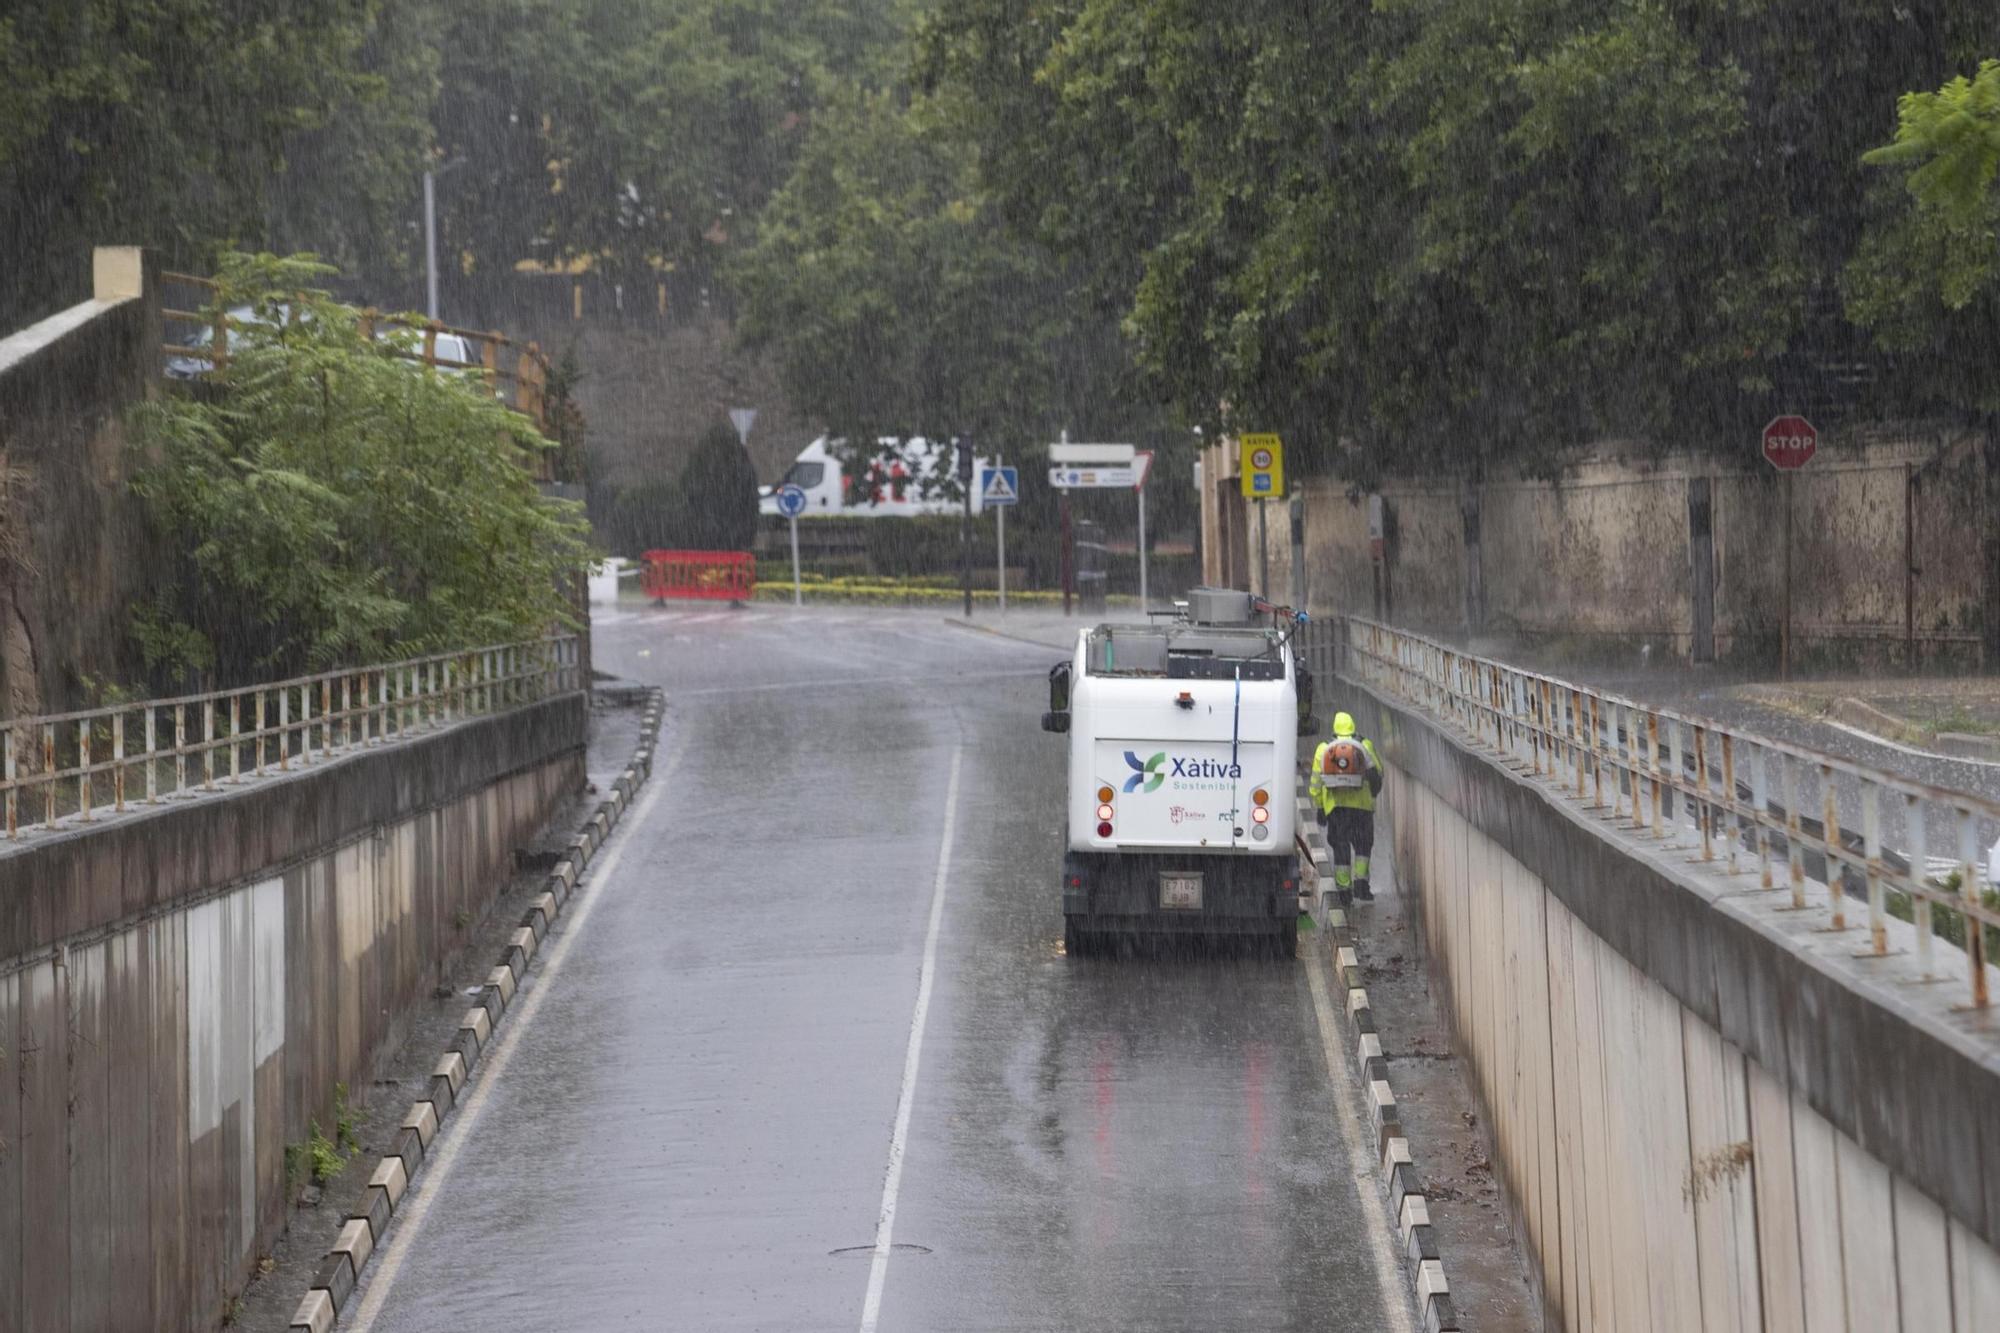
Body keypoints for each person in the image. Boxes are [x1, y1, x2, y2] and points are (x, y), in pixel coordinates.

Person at [1309, 711, 1383, 901]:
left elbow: (1316, 784)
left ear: (1334, 728)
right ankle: (1361, 885)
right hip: (1363, 808)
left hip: (1337, 809)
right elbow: (1378, 772)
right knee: (1363, 847)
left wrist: (1320, 807)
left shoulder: (1323, 749)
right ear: (1352, 727)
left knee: (1341, 848)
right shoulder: (1364, 745)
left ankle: (1344, 890)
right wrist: (1372, 795)